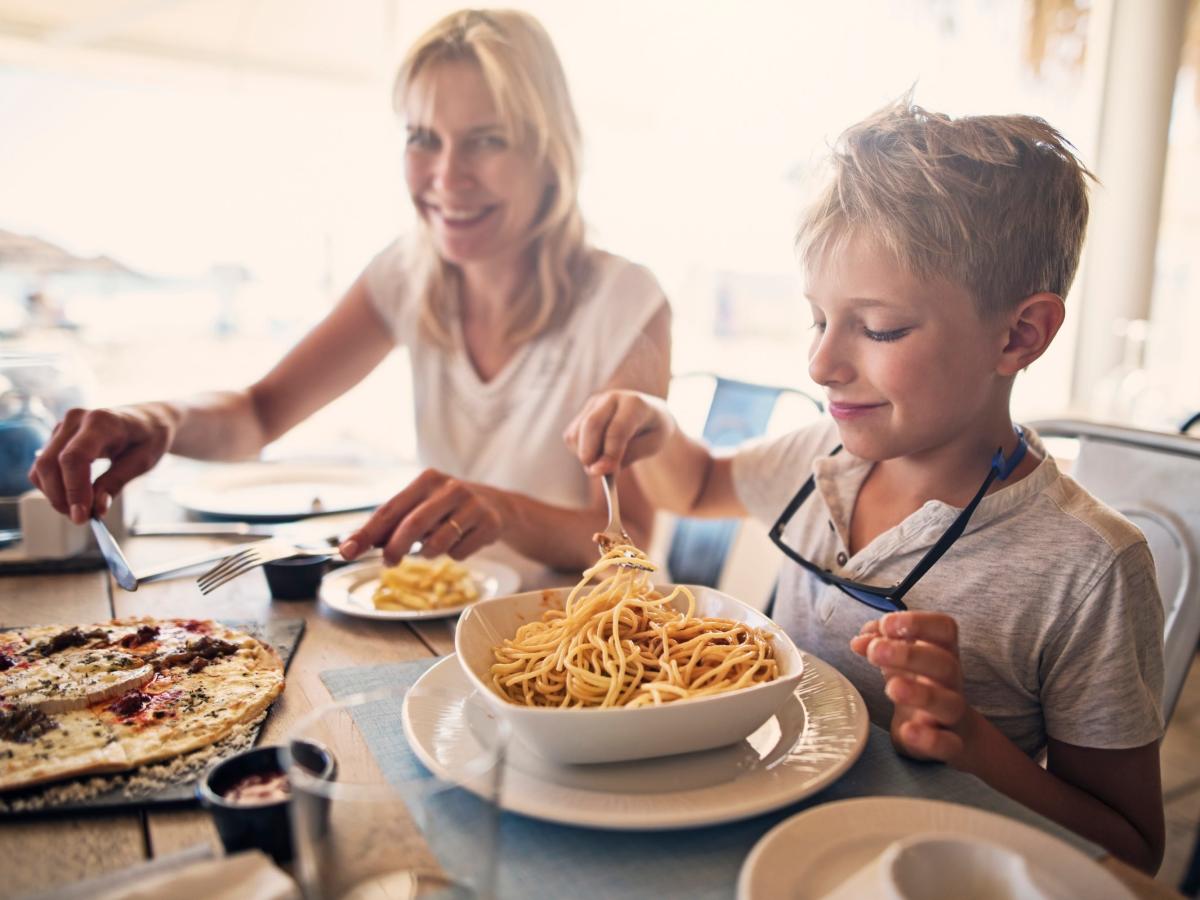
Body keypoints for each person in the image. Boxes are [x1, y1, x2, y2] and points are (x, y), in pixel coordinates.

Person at [565, 98, 1165, 870]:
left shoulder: (1089, 570)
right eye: (818, 319)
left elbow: (1132, 851)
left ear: (1019, 335)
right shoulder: (823, 456)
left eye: (878, 328)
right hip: (746, 837)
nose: (821, 364)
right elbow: (698, 486)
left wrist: (973, 742)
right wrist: (656, 425)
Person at [28, 9, 670, 582]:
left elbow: (630, 539)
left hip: (575, 651)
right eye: (423, 138)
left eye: (487, 140)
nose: (447, 177)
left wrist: (500, 509)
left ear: (548, 151)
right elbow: (258, 413)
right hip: (439, 629)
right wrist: (158, 419)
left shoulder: (625, 301)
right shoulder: (404, 273)